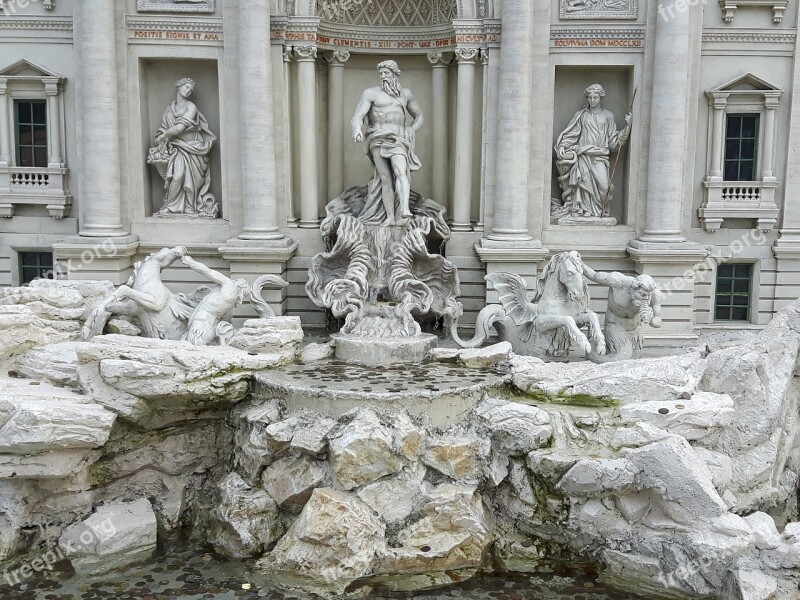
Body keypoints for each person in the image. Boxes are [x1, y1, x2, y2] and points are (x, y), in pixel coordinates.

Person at [351, 60, 424, 225]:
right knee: (385, 178)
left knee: (400, 172)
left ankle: (404, 209)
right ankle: (390, 217)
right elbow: (358, 116)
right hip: (377, 137)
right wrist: (356, 129)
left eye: (387, 73)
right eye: (381, 73)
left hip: (398, 139)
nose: (383, 76)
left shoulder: (405, 94)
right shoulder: (370, 93)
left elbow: (419, 116)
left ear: (395, 73)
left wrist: (411, 130)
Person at [554, 83, 631, 219]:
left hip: (599, 157)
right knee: (583, 184)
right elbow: (572, 134)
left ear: (601, 97)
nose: (592, 100)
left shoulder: (608, 116)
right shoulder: (581, 115)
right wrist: (562, 146)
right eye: (590, 97)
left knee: (604, 187)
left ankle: (600, 211)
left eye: (595, 97)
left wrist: (627, 127)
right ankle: (584, 211)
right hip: (583, 156)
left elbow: (613, 142)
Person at [151, 78, 218, 217]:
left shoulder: (191, 106)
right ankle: (171, 206)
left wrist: (164, 135)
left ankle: (190, 206)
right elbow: (164, 128)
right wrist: (161, 136)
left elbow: (179, 128)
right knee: (178, 176)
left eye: (191, 89)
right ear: (179, 86)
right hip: (178, 147)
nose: (188, 90)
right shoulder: (169, 109)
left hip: (194, 148)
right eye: (186, 87)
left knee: (188, 178)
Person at [581, 264, 662, 360]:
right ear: (633, 289)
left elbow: (658, 322)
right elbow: (594, 275)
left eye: (648, 295)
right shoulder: (618, 282)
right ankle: (594, 351)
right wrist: (578, 263)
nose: (646, 298)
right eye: (642, 294)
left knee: (634, 361)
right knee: (623, 355)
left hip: (635, 328)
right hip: (615, 324)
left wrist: (650, 319)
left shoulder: (654, 294)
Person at [180, 255, 249, 346]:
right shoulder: (228, 299)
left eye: (237, 280)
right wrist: (189, 302)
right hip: (205, 325)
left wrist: (190, 262)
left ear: (239, 284)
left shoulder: (229, 285)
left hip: (201, 325)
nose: (235, 280)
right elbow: (209, 305)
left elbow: (207, 271)